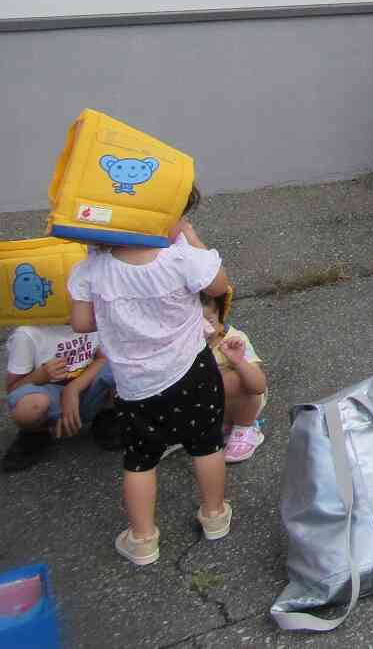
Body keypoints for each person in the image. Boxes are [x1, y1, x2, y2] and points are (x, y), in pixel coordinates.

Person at [67, 186, 233, 567]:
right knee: (206, 443)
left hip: (136, 384)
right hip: (193, 369)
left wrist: (116, 309)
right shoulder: (180, 257)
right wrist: (192, 239)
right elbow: (220, 286)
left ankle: (142, 539)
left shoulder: (93, 266)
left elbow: (81, 322)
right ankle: (215, 515)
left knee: (140, 459)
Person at [4, 321, 121, 472]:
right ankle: (35, 434)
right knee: (29, 408)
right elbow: (13, 389)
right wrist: (40, 376)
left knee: (126, 364)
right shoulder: (27, 334)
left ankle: (106, 417)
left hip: (85, 390)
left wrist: (73, 388)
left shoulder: (91, 317)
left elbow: (103, 358)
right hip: (50, 398)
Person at [200, 290, 268, 464]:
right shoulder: (185, 345)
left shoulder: (233, 340)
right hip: (208, 409)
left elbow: (258, 385)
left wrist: (238, 361)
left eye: (209, 321)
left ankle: (244, 427)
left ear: (219, 314)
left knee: (230, 380)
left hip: (238, 403)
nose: (202, 329)